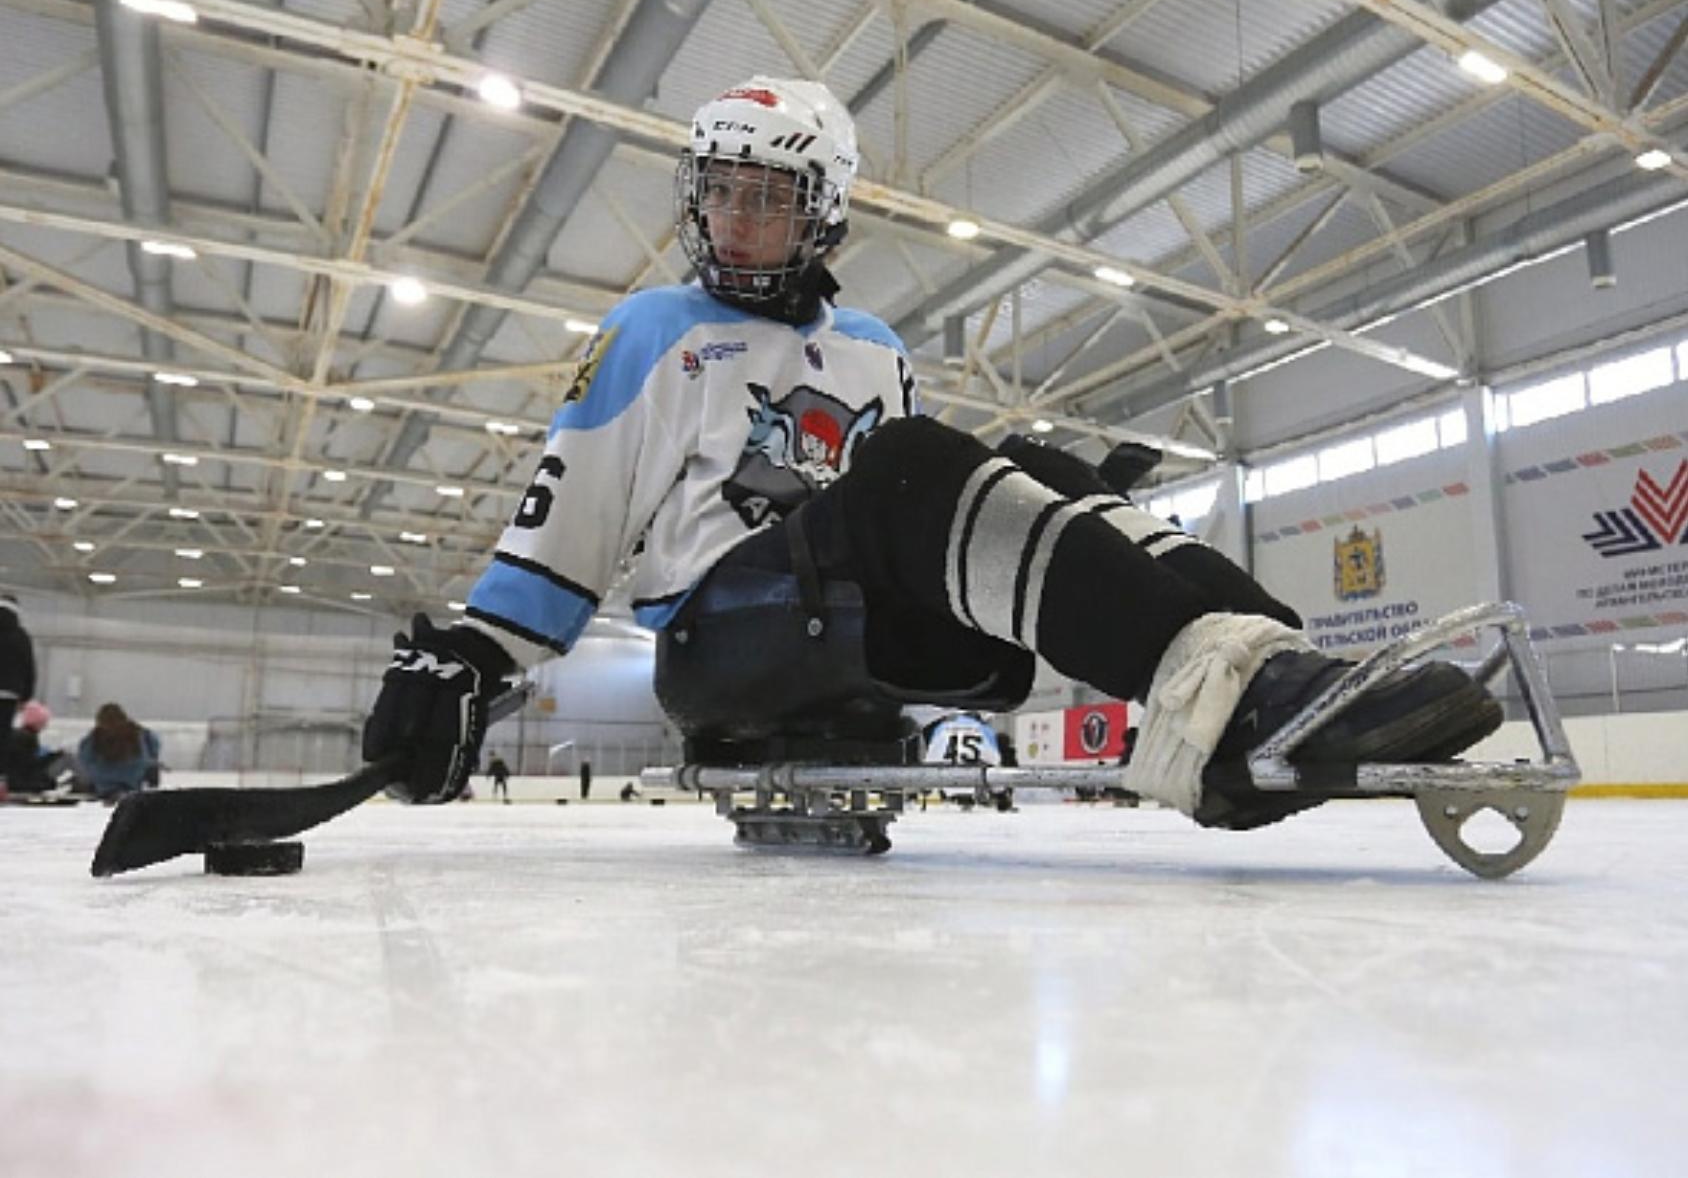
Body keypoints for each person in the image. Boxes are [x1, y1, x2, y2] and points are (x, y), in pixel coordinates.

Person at [361, 76, 1500, 834]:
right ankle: (1220, 703)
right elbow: (572, 516)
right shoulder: (654, 330)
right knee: (908, 464)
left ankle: (1289, 683)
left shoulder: (872, 349)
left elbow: (932, 525)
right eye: (719, 194)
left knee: (1043, 468)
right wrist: (474, 656)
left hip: (850, 621)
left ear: (826, 214)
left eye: (768, 199)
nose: (736, 222)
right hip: (724, 642)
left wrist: (1066, 508)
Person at [76, 703, 161, 802]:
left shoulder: (93, 738)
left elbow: (84, 759)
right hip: (133, 777)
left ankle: (110, 792)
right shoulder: (139, 732)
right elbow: (155, 746)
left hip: (103, 780)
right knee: (150, 764)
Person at [2, 700, 59, 794]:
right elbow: (31, 764)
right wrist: (53, 756)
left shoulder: (15, 734)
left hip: (12, 779)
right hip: (22, 781)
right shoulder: (29, 738)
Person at [0, 594, 35, 739]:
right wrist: (26, 696)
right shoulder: (21, 636)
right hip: (10, 692)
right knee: (3, 735)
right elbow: (29, 667)